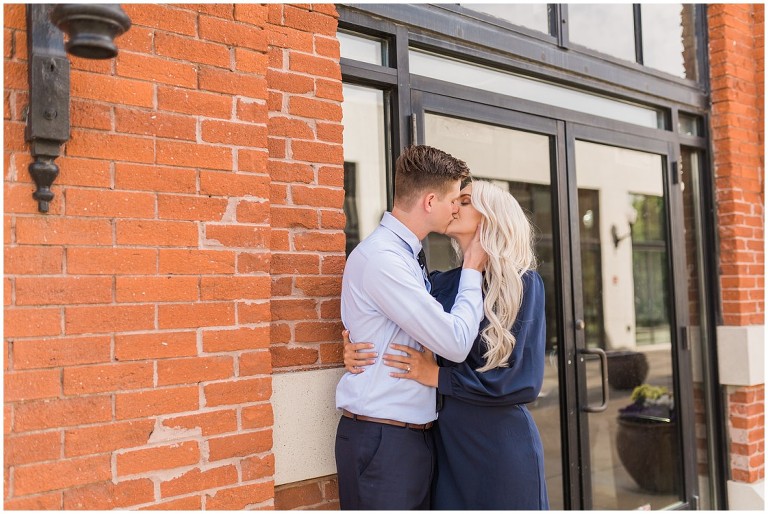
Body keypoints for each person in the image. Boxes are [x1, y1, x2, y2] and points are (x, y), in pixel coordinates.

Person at [344, 180, 549, 510]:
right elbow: (398, 327)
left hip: (499, 447)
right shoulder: (439, 283)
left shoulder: (523, 283)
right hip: (446, 446)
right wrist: (357, 345)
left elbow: (523, 382)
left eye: (464, 201)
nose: (454, 207)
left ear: (490, 217)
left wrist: (437, 377)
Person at [335, 145, 489, 510]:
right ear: (431, 201)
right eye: (455, 199)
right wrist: (472, 270)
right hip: (384, 443)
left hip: (403, 440)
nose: (457, 208)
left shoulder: (405, 255)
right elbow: (454, 342)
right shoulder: (384, 259)